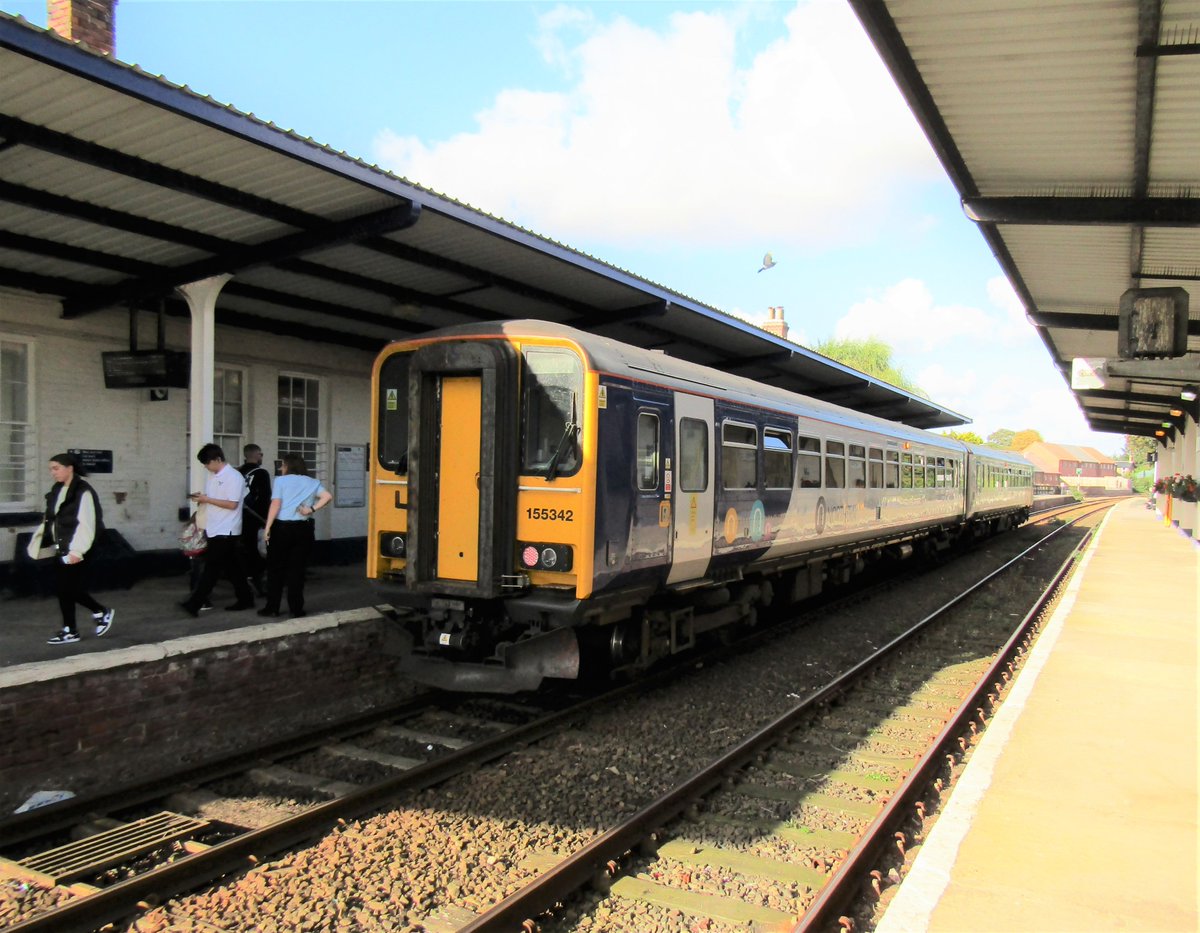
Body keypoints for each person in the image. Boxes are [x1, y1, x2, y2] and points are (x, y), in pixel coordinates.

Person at [37, 452, 115, 645]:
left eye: (56, 468)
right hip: (61, 547)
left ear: (69, 468)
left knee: (67, 589)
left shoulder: (83, 491)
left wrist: (76, 551)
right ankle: (86, 620)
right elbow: (53, 519)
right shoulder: (57, 489)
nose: (52, 473)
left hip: (76, 548)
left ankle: (83, 622)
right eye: (50, 469)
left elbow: (87, 523)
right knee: (65, 589)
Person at [179, 443, 255, 616]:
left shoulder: (234, 477)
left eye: (207, 463)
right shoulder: (213, 476)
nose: (206, 467)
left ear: (217, 459)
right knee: (233, 567)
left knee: (211, 569)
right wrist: (203, 499)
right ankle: (246, 598)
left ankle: (194, 603)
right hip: (216, 527)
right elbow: (216, 499)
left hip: (226, 529)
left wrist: (207, 499)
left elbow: (232, 503)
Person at [258, 453, 332, 619]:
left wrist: (268, 527)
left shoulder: (280, 481)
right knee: (297, 571)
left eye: (282, 465)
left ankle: (273, 607)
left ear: (288, 466)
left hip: (281, 528)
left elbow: (275, 504)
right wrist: (311, 509)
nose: (281, 468)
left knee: (275, 569)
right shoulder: (313, 482)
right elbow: (327, 497)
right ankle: (296, 608)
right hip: (304, 529)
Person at [237, 443, 271, 596]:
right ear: (256, 455)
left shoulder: (236, 472)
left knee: (243, 550)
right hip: (255, 519)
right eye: (261, 454)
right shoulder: (261, 473)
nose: (261, 457)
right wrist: (267, 520)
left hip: (237, 518)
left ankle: (245, 578)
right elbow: (265, 498)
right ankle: (258, 582)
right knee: (258, 552)